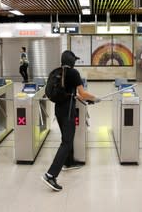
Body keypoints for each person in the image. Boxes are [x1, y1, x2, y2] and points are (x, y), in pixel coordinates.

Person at [42, 50, 100, 192]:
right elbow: (83, 93)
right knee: (66, 142)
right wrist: (95, 98)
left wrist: (87, 101)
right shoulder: (73, 73)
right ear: (72, 61)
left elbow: (72, 94)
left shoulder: (58, 71)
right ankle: (50, 175)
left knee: (66, 139)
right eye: (75, 60)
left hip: (59, 110)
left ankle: (68, 162)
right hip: (68, 112)